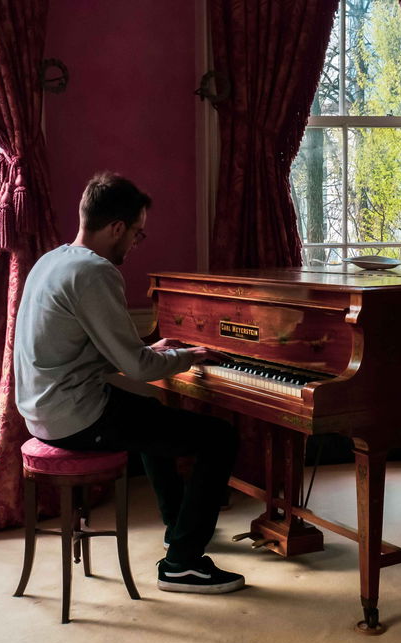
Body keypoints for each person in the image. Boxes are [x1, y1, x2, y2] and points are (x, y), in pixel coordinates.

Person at [13, 171, 245, 594]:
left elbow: (89, 349)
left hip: (40, 411)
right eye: (138, 233)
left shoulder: (52, 261)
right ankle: (183, 564)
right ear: (116, 227)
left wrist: (152, 351)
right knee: (219, 438)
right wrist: (190, 355)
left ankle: (179, 528)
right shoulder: (94, 271)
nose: (137, 243)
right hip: (75, 418)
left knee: (150, 417)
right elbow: (137, 369)